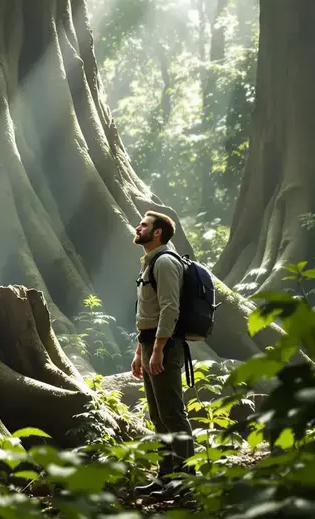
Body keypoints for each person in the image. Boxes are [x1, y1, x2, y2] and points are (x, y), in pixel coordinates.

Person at [130, 210, 194, 499]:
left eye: (143, 225)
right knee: (158, 415)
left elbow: (170, 309)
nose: (138, 227)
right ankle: (165, 477)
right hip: (150, 344)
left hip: (164, 346)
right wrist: (139, 352)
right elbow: (147, 313)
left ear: (157, 233)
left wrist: (157, 350)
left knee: (172, 413)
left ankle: (185, 482)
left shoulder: (166, 262)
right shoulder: (150, 263)